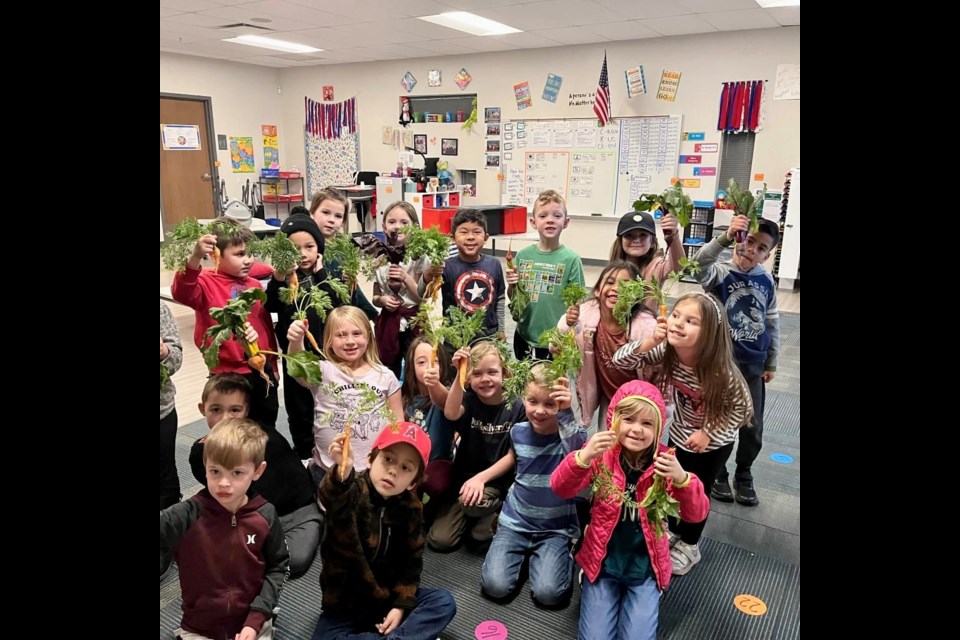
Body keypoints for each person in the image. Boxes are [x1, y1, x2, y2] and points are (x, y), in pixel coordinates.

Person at [551, 380, 710, 640]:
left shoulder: (664, 464)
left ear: (658, 427)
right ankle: (589, 581)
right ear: (614, 420)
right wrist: (582, 457)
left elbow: (696, 514)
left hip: (645, 566)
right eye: (629, 420)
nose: (636, 430)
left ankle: (651, 591)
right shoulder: (603, 455)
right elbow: (561, 488)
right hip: (602, 562)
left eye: (647, 423)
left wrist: (683, 479)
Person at [612, 292, 752, 576]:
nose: (677, 323)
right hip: (680, 432)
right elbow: (620, 360)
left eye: (690, 321)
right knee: (674, 485)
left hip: (714, 442)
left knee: (696, 489)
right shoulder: (668, 351)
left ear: (710, 333)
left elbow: (744, 410)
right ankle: (675, 530)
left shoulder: (721, 371)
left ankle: (691, 543)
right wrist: (652, 340)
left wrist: (708, 433)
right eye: (676, 315)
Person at [312, 423, 458, 640]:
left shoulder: (412, 508)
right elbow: (331, 496)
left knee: (443, 602)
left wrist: (400, 606)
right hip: (345, 606)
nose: (393, 470)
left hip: (387, 600)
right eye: (388, 459)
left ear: (413, 482)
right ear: (371, 459)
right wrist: (342, 474)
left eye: (405, 468)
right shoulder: (352, 492)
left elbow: (412, 563)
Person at [160, 418, 289, 640]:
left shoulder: (265, 516)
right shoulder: (187, 514)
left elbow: (278, 568)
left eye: (236, 473)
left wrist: (256, 618)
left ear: (257, 471)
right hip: (199, 627)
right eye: (215, 471)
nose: (224, 483)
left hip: (252, 622)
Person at [188, 375, 322, 578]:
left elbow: (262, 383)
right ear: (202, 409)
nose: (225, 419)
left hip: (295, 514)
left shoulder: (264, 437)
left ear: (247, 411)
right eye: (216, 410)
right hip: (249, 516)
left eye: (235, 410)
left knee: (293, 560)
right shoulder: (200, 452)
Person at [479, 365, 586, 608]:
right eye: (532, 401)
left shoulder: (570, 435)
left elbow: (577, 456)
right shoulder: (518, 432)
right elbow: (515, 464)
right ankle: (517, 552)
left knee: (549, 594)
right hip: (516, 522)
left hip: (555, 528)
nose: (539, 411)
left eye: (550, 404)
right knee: (494, 586)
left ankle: (560, 552)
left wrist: (567, 412)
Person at [695, 214, 780, 506]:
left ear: (767, 256)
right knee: (719, 420)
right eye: (749, 240)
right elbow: (698, 266)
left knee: (752, 425)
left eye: (760, 248)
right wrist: (725, 237)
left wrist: (771, 361)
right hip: (721, 364)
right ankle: (718, 471)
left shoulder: (766, 280)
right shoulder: (720, 273)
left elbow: (772, 322)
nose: (751, 249)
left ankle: (744, 472)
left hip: (753, 367)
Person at [171, 217, 280, 429]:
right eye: (240, 254)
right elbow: (182, 292)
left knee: (265, 423)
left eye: (249, 254)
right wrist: (195, 257)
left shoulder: (254, 284)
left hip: (258, 369)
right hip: (226, 373)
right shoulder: (205, 282)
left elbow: (264, 328)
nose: (248, 260)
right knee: (230, 428)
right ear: (215, 255)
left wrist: (272, 366)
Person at [287, 306, 403, 488]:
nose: (350, 341)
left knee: (367, 513)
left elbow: (398, 424)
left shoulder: (385, 376)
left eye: (357, 333)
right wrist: (296, 340)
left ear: (368, 337)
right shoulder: (322, 370)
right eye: (341, 335)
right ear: (329, 341)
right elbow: (297, 370)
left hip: (372, 470)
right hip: (328, 469)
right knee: (331, 513)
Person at [427, 341, 525, 552]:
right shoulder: (469, 400)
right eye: (477, 374)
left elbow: (512, 455)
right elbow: (451, 413)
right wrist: (459, 373)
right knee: (440, 541)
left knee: (476, 518)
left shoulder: (516, 406)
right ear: (469, 378)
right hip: (464, 479)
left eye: (492, 372)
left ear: (504, 373)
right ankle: (474, 512)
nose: (485, 379)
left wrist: (481, 479)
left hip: (496, 481)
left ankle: (494, 509)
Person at [265, 213, 344, 459]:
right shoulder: (284, 280)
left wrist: (321, 273)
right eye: (294, 248)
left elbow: (338, 302)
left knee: (329, 404)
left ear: (319, 249)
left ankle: (330, 449)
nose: (303, 253)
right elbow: (271, 304)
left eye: (309, 247)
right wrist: (279, 276)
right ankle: (304, 452)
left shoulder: (326, 277)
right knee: (299, 408)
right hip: (296, 358)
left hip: (328, 356)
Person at [556, 261, 657, 429]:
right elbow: (556, 344)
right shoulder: (586, 314)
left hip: (639, 400)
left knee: (635, 446)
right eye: (610, 282)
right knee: (605, 444)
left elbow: (662, 367)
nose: (616, 288)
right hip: (608, 395)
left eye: (625, 285)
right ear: (597, 290)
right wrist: (568, 323)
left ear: (636, 294)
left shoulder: (645, 327)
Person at [506, 189, 585, 360]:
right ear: (533, 222)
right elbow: (513, 297)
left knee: (552, 384)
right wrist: (512, 285)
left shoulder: (571, 259)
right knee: (526, 382)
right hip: (524, 335)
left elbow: (578, 302)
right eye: (543, 216)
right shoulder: (523, 256)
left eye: (557, 216)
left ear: (566, 222)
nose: (550, 220)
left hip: (555, 338)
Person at [430, 209, 506, 343]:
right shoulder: (446, 267)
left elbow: (499, 298)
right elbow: (423, 293)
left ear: (486, 238)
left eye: (477, 232)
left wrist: (501, 330)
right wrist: (429, 273)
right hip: (455, 339)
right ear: (453, 238)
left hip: (487, 338)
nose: (470, 237)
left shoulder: (494, 264)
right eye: (464, 232)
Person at [372, 201, 426, 379]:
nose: (398, 227)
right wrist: (382, 301)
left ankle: (415, 403)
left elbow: (421, 297)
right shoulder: (379, 258)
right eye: (392, 222)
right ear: (384, 227)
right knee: (387, 367)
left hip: (414, 320)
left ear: (415, 227)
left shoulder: (419, 258)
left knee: (416, 365)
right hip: (388, 321)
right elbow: (375, 296)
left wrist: (404, 277)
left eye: (404, 222)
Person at [308, 187, 378, 320]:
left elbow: (352, 292)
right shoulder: (307, 249)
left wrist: (373, 315)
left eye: (338, 216)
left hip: (340, 315)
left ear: (343, 222)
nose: (331, 220)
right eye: (325, 212)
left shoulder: (342, 252)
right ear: (312, 212)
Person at [401, 336, 454, 507]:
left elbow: (447, 402)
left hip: (437, 465)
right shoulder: (404, 399)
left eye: (435, 361)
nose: (429, 367)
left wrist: (434, 385)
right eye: (422, 362)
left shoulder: (445, 393)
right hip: (407, 464)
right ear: (411, 367)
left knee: (436, 482)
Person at [608, 210, 684, 312]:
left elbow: (679, 267)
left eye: (643, 235)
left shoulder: (657, 266)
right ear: (621, 240)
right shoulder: (613, 269)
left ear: (652, 241)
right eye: (629, 235)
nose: (636, 240)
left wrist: (673, 235)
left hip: (646, 325)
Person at [160, 300, 183, 511]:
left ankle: (171, 525)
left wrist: (164, 352)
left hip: (162, 411)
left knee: (165, 475)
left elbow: (176, 358)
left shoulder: (160, 309)